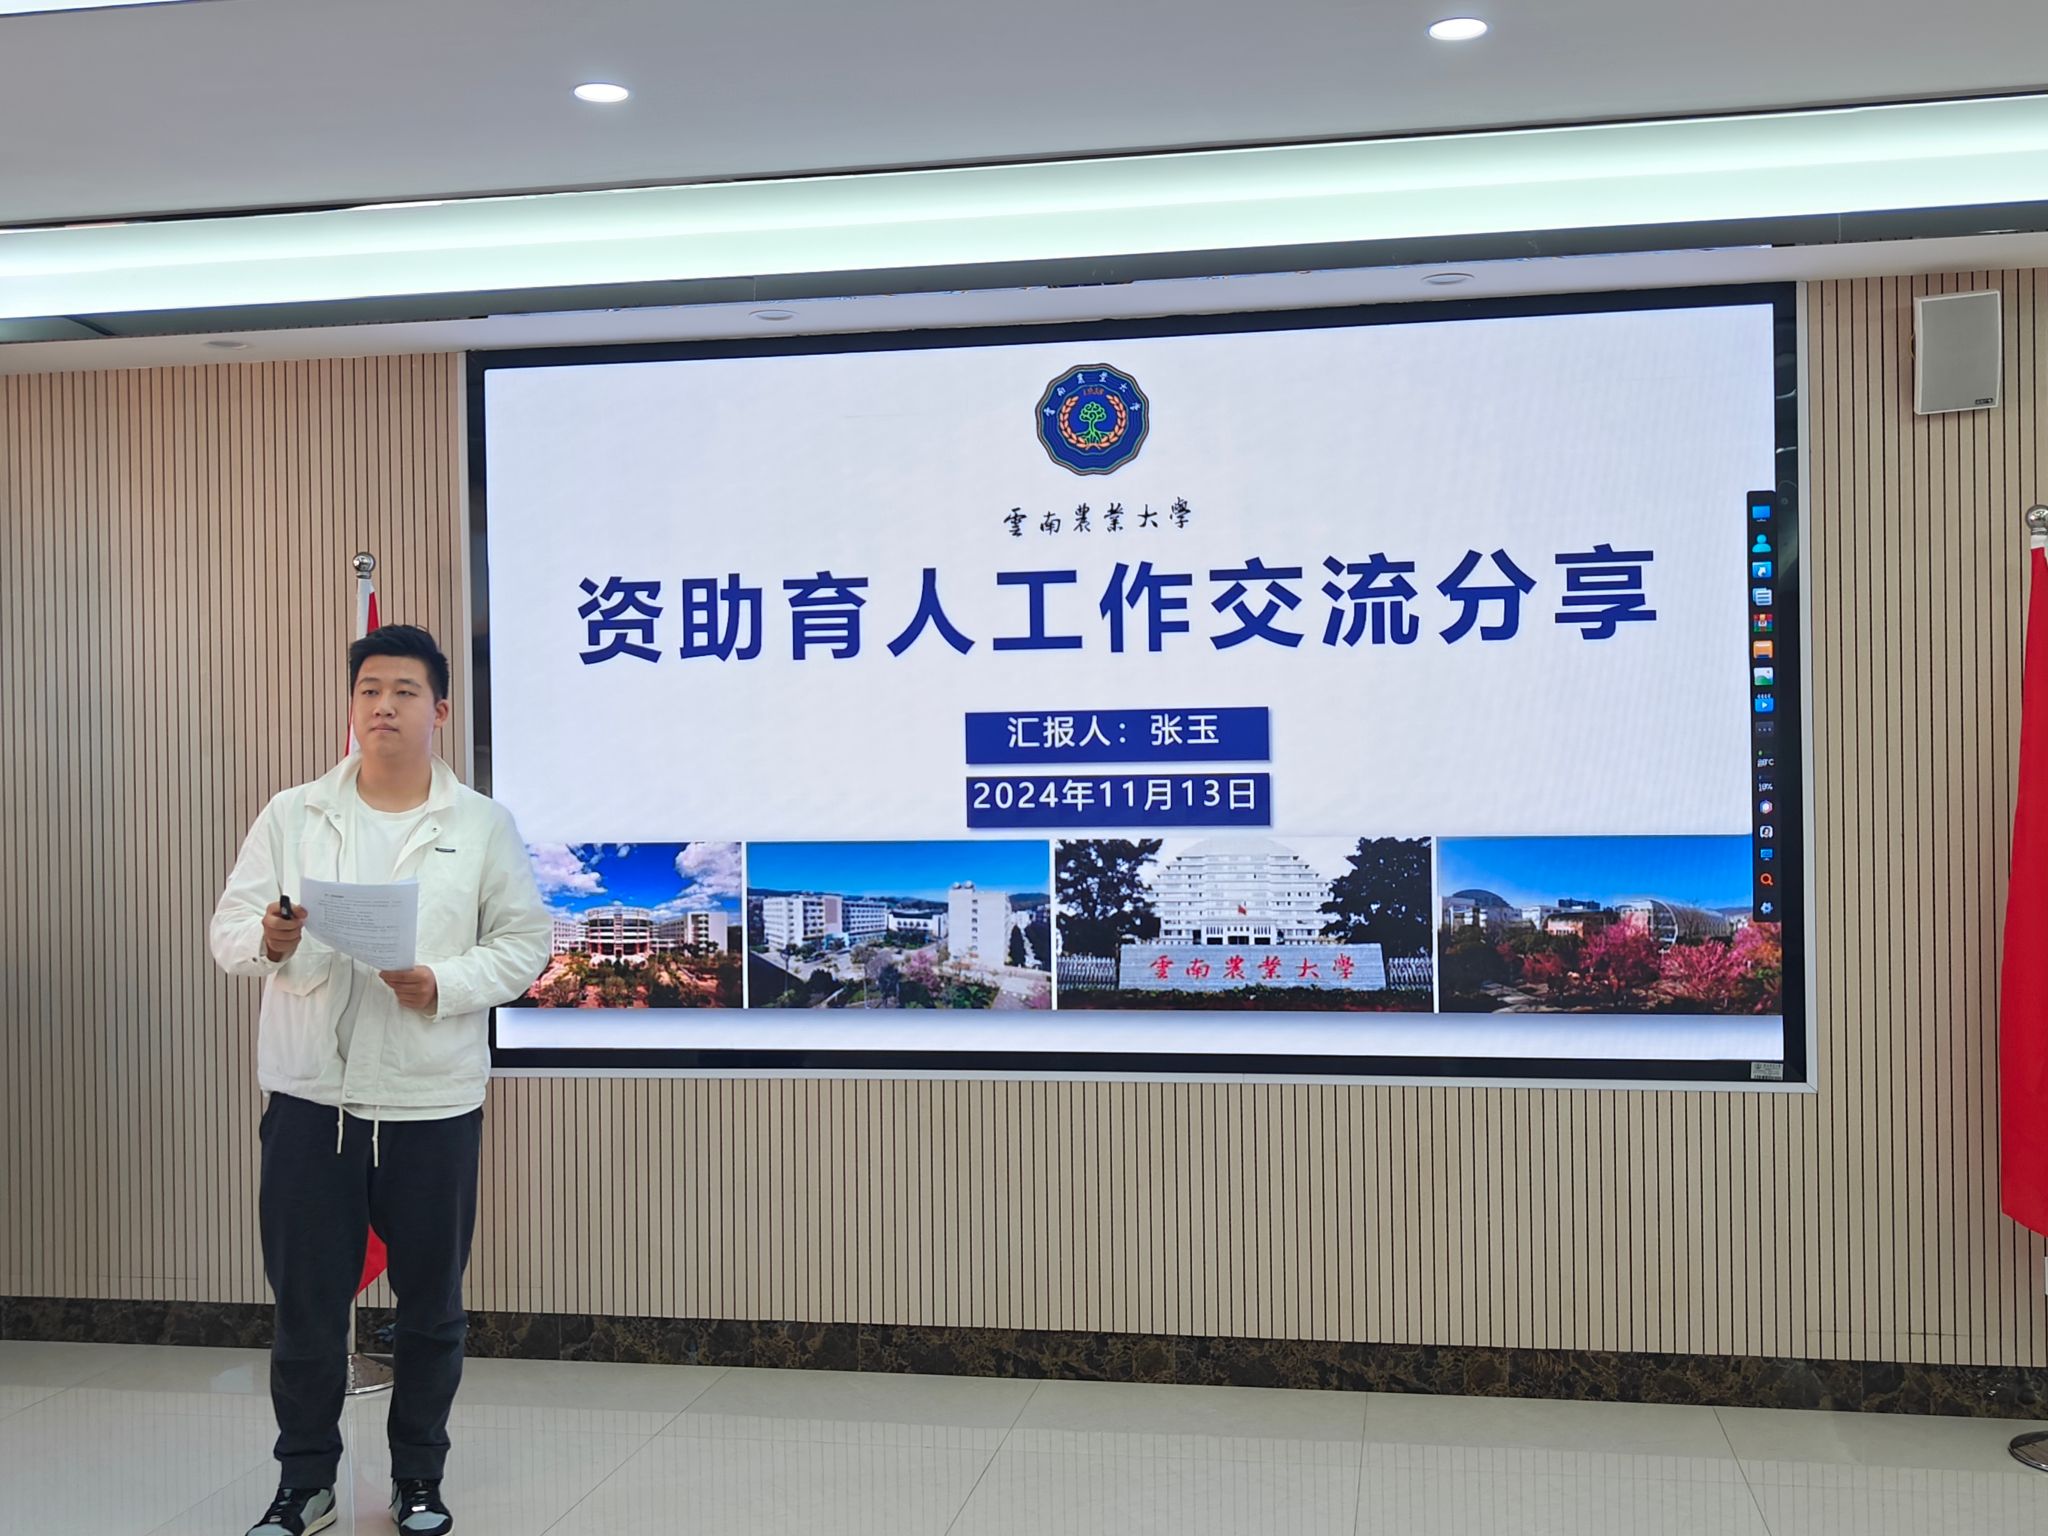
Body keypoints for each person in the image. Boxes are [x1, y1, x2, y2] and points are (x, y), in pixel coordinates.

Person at [209, 624, 549, 1536]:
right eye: (369, 690)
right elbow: (228, 931)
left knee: (432, 1308)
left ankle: (418, 1478)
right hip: (310, 1098)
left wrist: (445, 982)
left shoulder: (481, 824)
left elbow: (525, 944)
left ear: (440, 710)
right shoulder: (293, 813)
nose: (384, 706)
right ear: (352, 706)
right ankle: (305, 1483)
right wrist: (269, 937)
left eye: (404, 691)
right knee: (307, 1307)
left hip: (431, 1100)